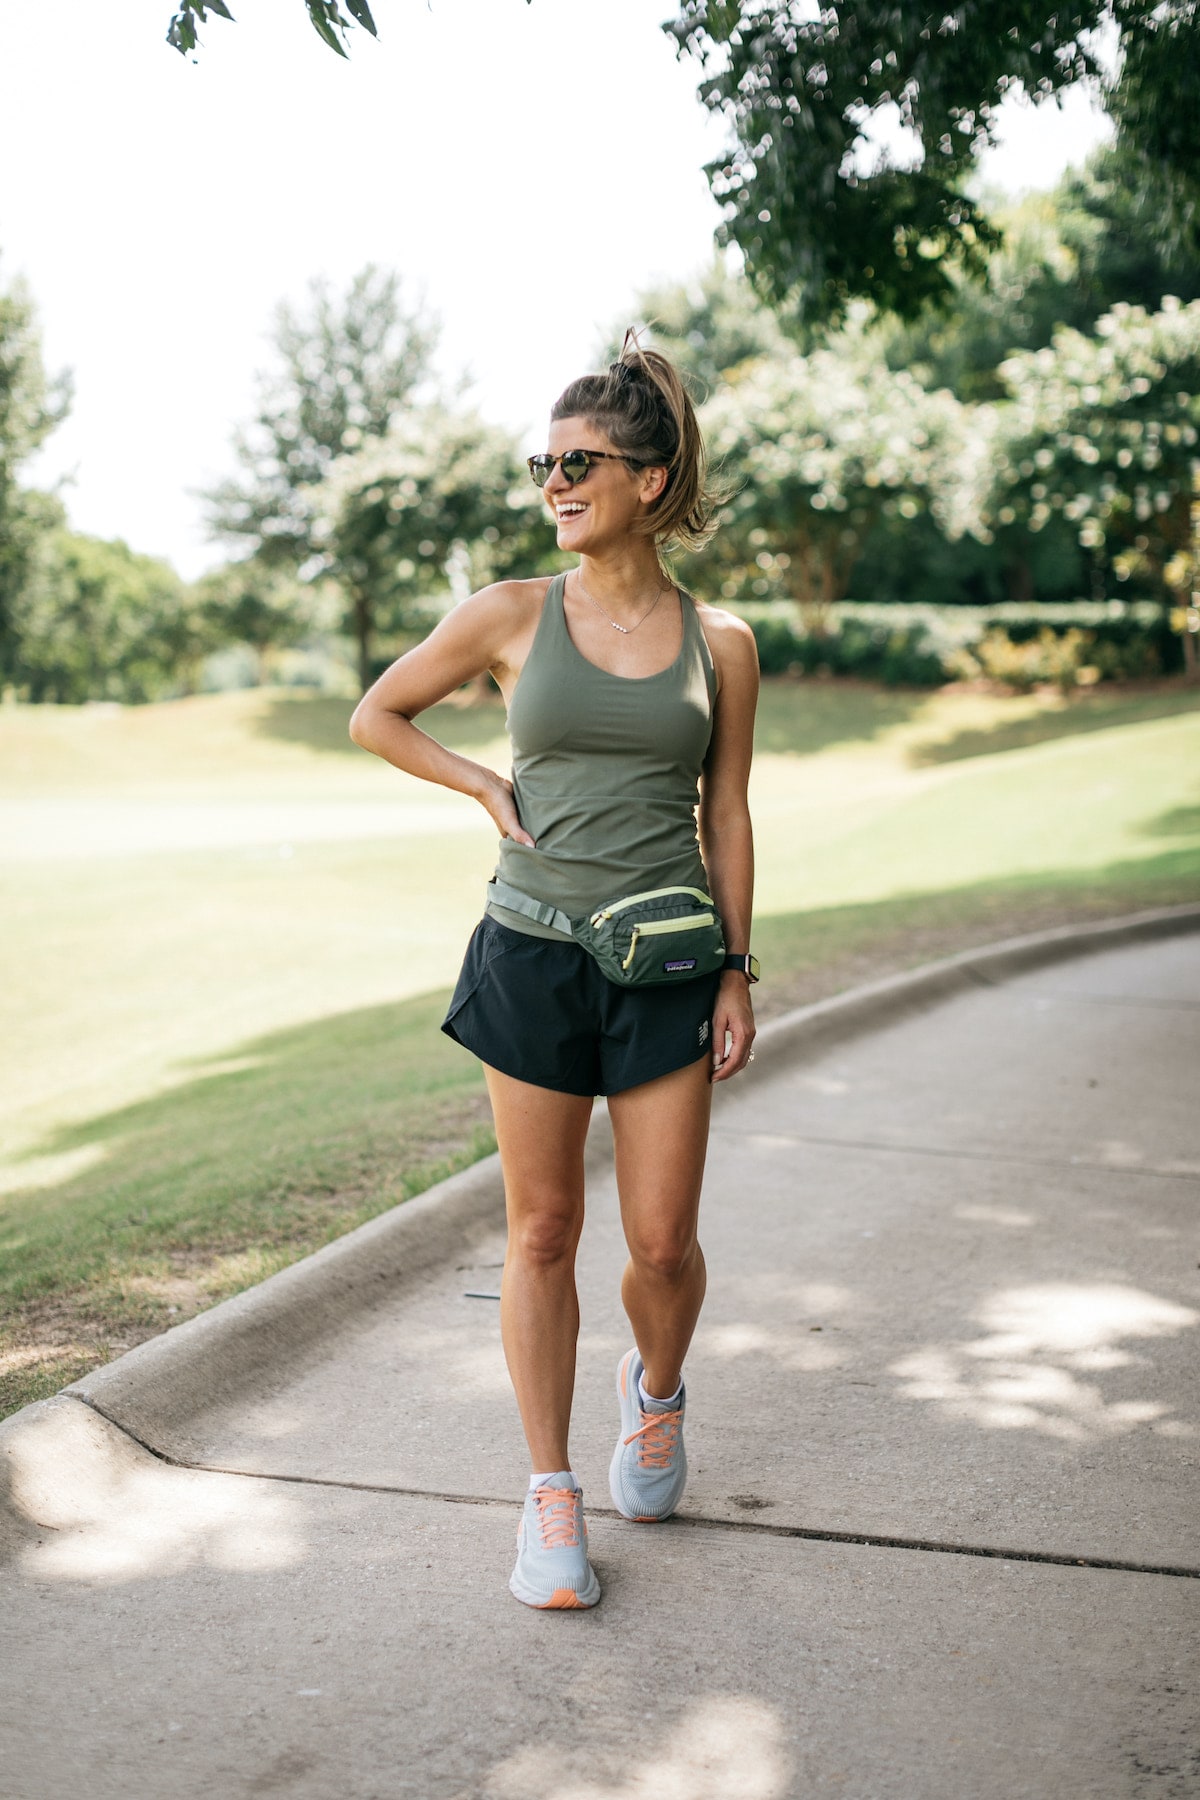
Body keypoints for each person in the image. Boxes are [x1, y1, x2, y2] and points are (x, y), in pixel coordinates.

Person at [349, 338, 759, 1609]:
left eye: (577, 463)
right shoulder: (508, 614)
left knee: (662, 1243)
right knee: (540, 1231)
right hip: (531, 954)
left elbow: (728, 812)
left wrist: (738, 968)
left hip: (668, 967)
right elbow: (379, 712)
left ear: (649, 476)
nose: (553, 484)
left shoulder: (722, 643)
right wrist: (480, 783)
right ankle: (549, 1498)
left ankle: (658, 1393)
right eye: (544, 463)